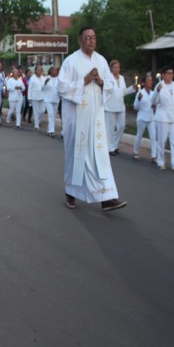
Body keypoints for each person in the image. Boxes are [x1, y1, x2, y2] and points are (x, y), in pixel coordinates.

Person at [58, 27, 127, 212]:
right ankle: (71, 193)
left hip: (96, 120)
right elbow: (62, 87)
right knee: (76, 156)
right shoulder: (71, 61)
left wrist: (101, 81)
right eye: (87, 38)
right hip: (76, 119)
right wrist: (84, 80)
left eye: (94, 38)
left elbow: (110, 84)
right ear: (80, 41)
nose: (91, 41)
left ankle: (107, 197)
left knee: (100, 157)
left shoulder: (101, 60)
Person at [152, 66, 174, 172]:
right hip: (162, 117)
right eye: (168, 73)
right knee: (162, 141)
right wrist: (157, 91)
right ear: (163, 75)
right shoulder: (159, 85)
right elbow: (154, 102)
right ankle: (160, 161)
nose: (170, 75)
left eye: (172, 73)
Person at [104, 60, 136, 155]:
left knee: (121, 126)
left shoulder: (121, 78)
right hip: (110, 106)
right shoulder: (108, 78)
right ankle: (110, 148)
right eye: (115, 67)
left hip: (120, 106)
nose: (117, 69)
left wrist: (132, 88)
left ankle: (115, 145)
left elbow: (123, 92)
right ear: (111, 68)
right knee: (110, 128)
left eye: (118, 67)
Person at [132, 73, 157, 162]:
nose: (150, 82)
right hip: (142, 118)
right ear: (144, 83)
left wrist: (155, 105)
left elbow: (156, 103)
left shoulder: (153, 93)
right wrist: (138, 99)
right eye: (148, 80)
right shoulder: (140, 93)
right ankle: (135, 152)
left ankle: (154, 156)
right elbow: (135, 107)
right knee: (139, 135)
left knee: (153, 136)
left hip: (151, 118)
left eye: (151, 80)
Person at [42, 66, 60, 137]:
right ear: (51, 71)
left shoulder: (59, 79)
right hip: (48, 100)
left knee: (54, 115)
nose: (56, 72)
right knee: (51, 114)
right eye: (55, 71)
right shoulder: (46, 78)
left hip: (56, 99)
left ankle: (49, 129)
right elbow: (42, 88)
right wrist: (45, 83)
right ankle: (51, 131)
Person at [27, 64, 45, 131]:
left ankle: (38, 121)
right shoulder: (32, 78)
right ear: (36, 71)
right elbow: (30, 88)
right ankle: (36, 125)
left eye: (41, 70)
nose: (40, 71)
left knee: (42, 110)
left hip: (43, 96)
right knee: (36, 111)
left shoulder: (43, 78)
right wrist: (29, 97)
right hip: (35, 97)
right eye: (39, 70)